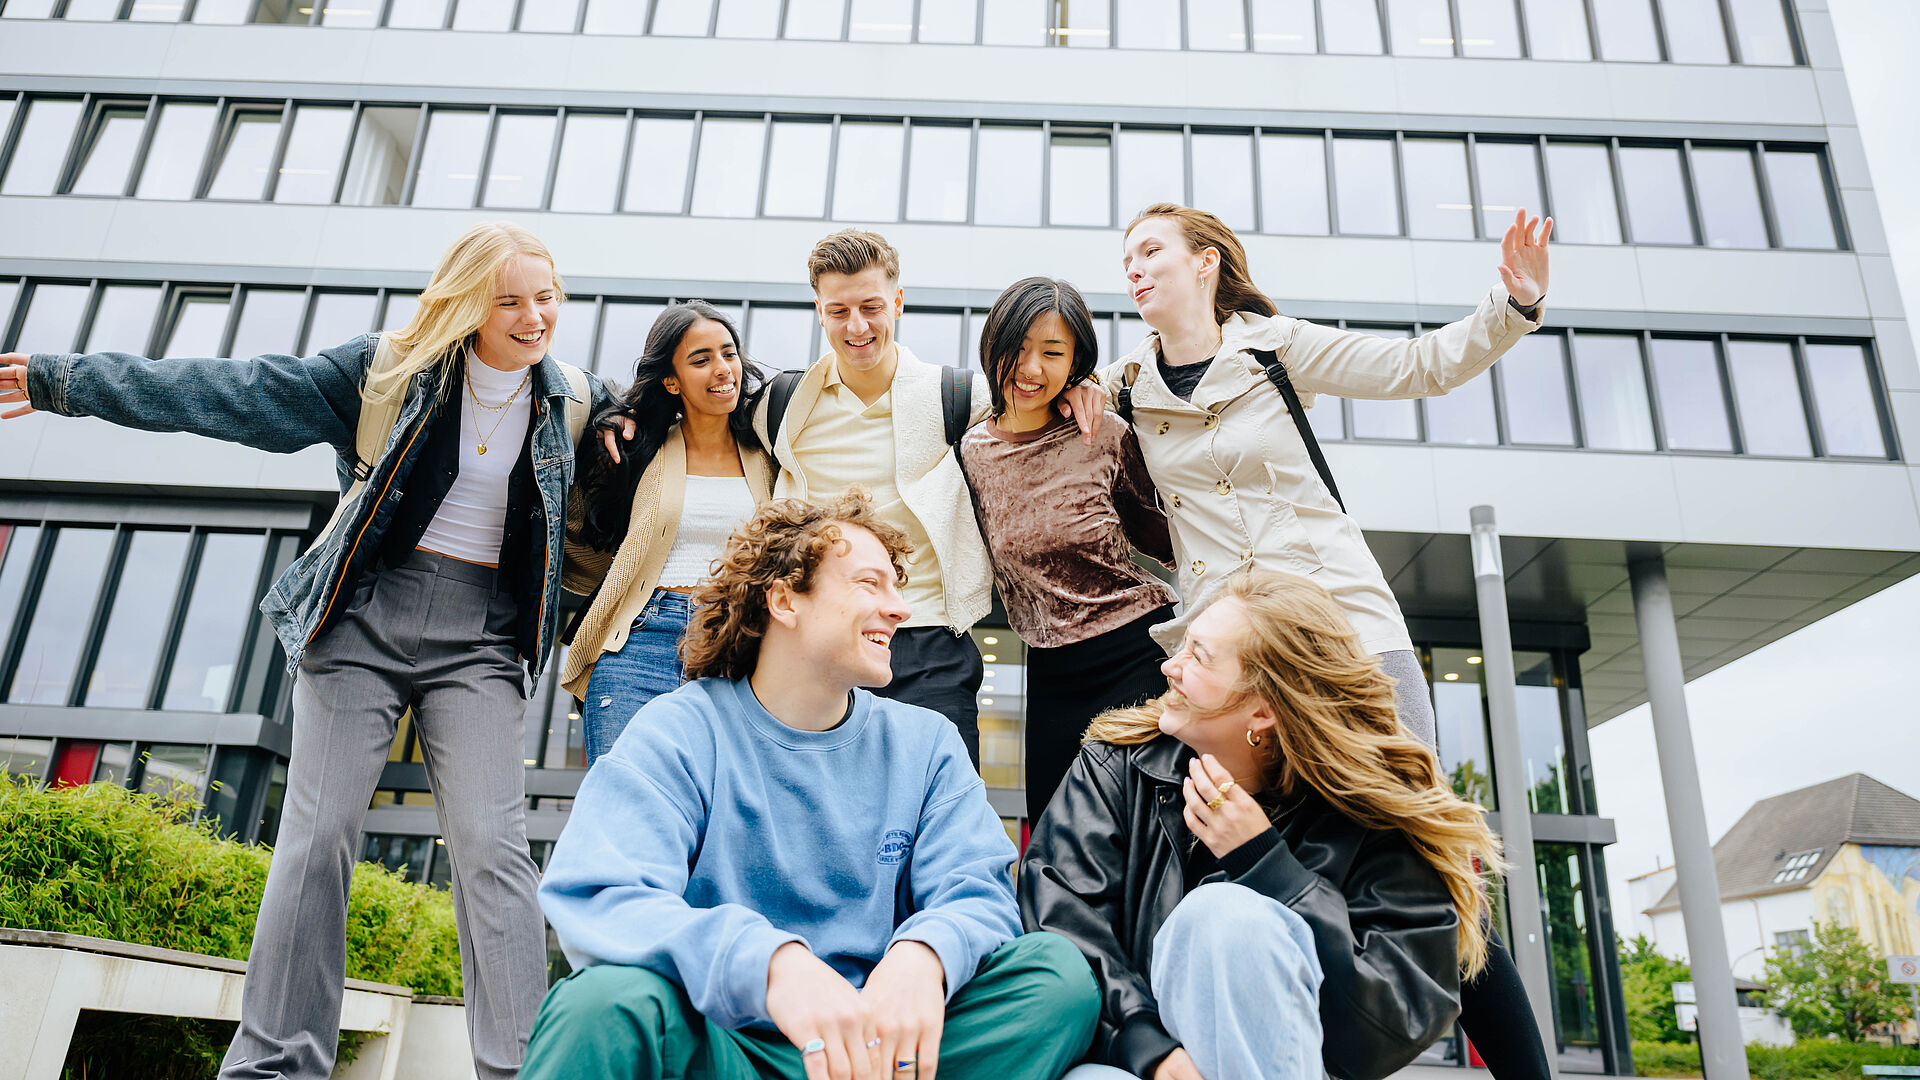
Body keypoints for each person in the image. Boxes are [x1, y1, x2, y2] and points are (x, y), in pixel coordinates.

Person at [0, 221, 627, 1080]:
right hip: (363, 619)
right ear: (465, 303)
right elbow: (231, 391)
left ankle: (522, 1068)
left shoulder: (583, 403)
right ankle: (275, 1062)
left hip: (480, 643)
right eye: (509, 300)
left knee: (491, 845)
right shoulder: (384, 372)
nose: (534, 317)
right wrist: (63, 383)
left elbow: (688, 422)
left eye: (547, 298)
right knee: (317, 834)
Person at [1094, 203, 1555, 1079]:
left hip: (1346, 634)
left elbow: (1419, 366)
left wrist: (1514, 308)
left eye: (1151, 250)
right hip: (1232, 667)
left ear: (1206, 264)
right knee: (1235, 860)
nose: (1134, 268)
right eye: (1125, 259)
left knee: (1429, 856)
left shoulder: (1275, 347)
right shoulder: (1121, 391)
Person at [522, 490, 1101, 1080]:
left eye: (898, 587)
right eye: (869, 584)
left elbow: (977, 892)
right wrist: (771, 965)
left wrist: (924, 956)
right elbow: (600, 891)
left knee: (1056, 977)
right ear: (784, 601)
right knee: (596, 1004)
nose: (899, 608)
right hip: (728, 1050)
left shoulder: (927, 744)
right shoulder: (681, 728)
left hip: (875, 1054)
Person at [1019, 570, 1505, 1080]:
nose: (1169, 666)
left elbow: (1385, 1030)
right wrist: (1153, 1051)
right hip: (1130, 1063)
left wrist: (1267, 866)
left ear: (1263, 710)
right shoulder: (1114, 767)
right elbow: (1060, 923)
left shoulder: (1368, 814)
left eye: (1198, 657)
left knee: (1221, 913)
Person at [751, 229, 1101, 766]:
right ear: (819, 310)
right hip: (819, 645)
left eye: (871, 306)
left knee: (943, 820)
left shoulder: (959, 396)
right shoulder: (780, 405)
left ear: (897, 302)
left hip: (928, 640)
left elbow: (1039, 390)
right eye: (839, 310)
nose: (858, 326)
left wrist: (1084, 383)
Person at [957, 276, 1176, 824]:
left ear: (1076, 362)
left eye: (1053, 353)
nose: (1032, 369)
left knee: (1148, 826)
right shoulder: (970, 450)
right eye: (1019, 348)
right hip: (1050, 667)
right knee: (1055, 832)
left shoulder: (1102, 433)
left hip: (1137, 651)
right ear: (993, 345)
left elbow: (1172, 541)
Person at [563, 300, 773, 764]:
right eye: (701, 360)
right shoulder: (638, 448)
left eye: (728, 353)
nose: (723, 369)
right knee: (626, 812)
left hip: (739, 649)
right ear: (671, 380)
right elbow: (578, 531)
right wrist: (605, 425)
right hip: (639, 644)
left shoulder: (769, 451)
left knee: (722, 819)